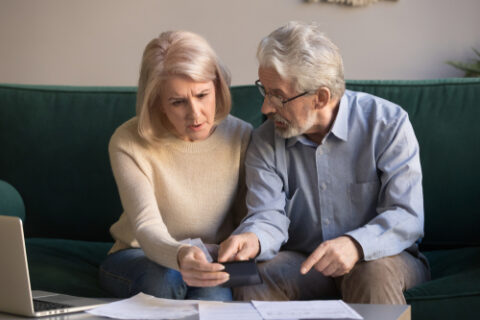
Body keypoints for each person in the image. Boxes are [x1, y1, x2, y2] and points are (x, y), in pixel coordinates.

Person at [218, 21, 430, 304]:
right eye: (264, 91)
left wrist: (356, 245)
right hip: (305, 264)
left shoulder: (387, 124)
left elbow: (406, 214)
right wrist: (254, 239)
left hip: (382, 257)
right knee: (255, 275)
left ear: (320, 97)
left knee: (369, 272)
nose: (265, 108)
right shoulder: (265, 140)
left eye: (278, 96)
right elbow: (267, 215)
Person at [98, 30, 252, 301]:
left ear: (218, 86)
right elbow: (146, 226)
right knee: (164, 278)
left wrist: (225, 253)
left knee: (214, 296)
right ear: (156, 102)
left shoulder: (242, 136)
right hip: (138, 254)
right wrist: (180, 255)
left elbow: (247, 220)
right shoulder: (127, 141)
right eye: (178, 102)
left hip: (212, 258)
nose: (195, 114)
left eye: (202, 94)